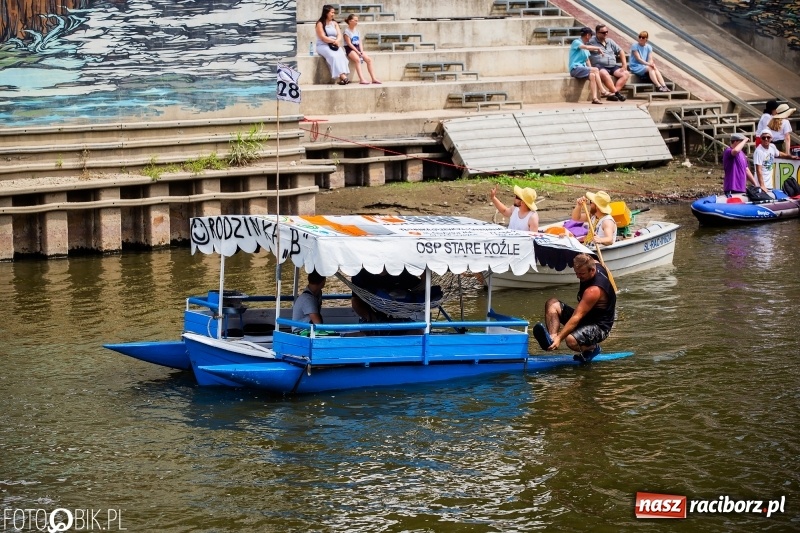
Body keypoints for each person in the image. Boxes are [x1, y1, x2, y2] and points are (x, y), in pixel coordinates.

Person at [532, 253, 616, 362]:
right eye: (576, 273)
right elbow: (590, 257)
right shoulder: (594, 263)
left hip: (599, 327)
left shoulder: (593, 290)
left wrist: (560, 338)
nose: (578, 276)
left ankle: (592, 348)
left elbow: (577, 316)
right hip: (586, 317)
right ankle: (551, 338)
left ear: (592, 270)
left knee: (570, 340)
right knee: (552, 303)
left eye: (581, 274)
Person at [568, 27, 610, 105]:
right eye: (591, 35)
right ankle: (602, 90)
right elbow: (586, 48)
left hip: (582, 68)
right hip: (575, 68)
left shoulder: (585, 45)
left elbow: (587, 60)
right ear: (587, 35)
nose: (591, 37)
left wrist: (591, 69)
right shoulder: (576, 42)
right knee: (595, 69)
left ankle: (594, 98)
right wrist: (598, 48)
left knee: (592, 75)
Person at [588, 24, 630, 102]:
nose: (606, 34)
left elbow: (621, 51)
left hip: (612, 65)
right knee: (604, 73)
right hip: (600, 65)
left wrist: (624, 64)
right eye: (603, 32)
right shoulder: (591, 42)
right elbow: (583, 49)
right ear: (597, 33)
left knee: (626, 74)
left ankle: (612, 94)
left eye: (607, 32)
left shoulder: (610, 41)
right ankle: (617, 93)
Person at [315, 5, 350, 85]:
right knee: (333, 56)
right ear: (326, 13)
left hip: (334, 44)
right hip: (323, 45)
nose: (333, 14)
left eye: (334, 12)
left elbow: (339, 34)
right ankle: (343, 77)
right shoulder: (320, 23)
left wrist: (337, 41)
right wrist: (333, 41)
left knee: (341, 55)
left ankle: (342, 78)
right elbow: (322, 37)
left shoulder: (334, 23)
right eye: (332, 12)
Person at [343, 14, 381, 85]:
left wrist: (361, 51)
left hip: (357, 48)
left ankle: (373, 78)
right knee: (357, 60)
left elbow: (360, 42)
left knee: (369, 60)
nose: (357, 22)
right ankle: (362, 79)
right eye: (355, 20)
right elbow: (349, 44)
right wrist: (357, 52)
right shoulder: (346, 32)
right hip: (350, 49)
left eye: (357, 21)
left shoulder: (357, 31)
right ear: (350, 21)